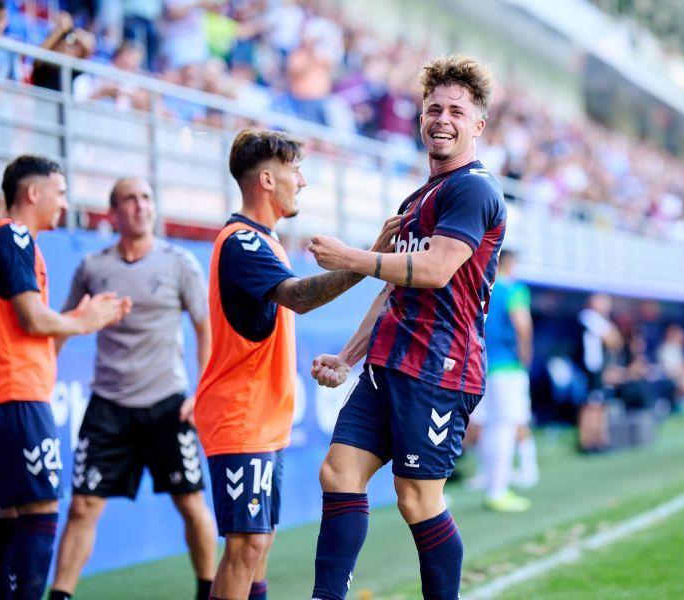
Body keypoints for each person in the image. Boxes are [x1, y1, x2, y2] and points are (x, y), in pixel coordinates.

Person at [307, 54, 506, 600]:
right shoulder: (415, 200)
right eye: (433, 108)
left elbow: (438, 270)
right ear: (420, 117)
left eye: (456, 111)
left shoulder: (474, 190)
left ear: (477, 125)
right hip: (386, 363)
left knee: (417, 498)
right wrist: (348, 359)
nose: (442, 119)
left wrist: (351, 256)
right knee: (338, 473)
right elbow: (395, 290)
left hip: (439, 370)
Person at [193, 128, 399, 600]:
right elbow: (299, 298)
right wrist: (367, 260)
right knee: (245, 546)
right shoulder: (242, 242)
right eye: (295, 170)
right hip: (240, 417)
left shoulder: (262, 240)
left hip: (260, 418)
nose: (302, 181)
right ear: (267, 179)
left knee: (256, 546)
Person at [48, 178, 217, 600]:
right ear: (113, 212)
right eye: (130, 199)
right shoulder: (93, 267)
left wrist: (202, 392)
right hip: (108, 406)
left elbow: (204, 328)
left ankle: (209, 590)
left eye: (146, 198)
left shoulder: (179, 262)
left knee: (191, 503)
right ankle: (61, 595)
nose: (141, 206)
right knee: (83, 506)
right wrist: (40, 371)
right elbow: (66, 323)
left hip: (168, 405)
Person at [0, 155, 130, 600]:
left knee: (11, 512)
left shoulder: (6, 241)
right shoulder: (14, 235)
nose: (65, 202)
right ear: (33, 193)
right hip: (18, 395)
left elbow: (32, 323)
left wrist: (84, 316)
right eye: (59, 192)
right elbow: (33, 319)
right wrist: (84, 322)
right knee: (40, 509)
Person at [473, 249, 536, 512]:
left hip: (481, 365)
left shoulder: (481, 289)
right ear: (511, 263)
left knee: (488, 425)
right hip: (507, 367)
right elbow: (522, 324)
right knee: (506, 425)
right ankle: (498, 490)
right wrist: (526, 356)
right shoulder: (514, 290)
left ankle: (492, 482)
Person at [576, 293, 622, 452]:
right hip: (590, 368)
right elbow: (612, 339)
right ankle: (587, 442)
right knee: (591, 405)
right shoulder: (589, 317)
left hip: (598, 368)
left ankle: (599, 440)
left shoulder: (599, 320)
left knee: (600, 403)